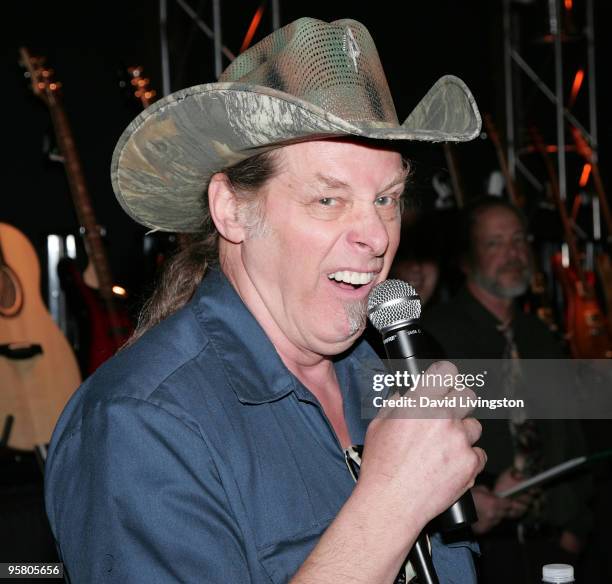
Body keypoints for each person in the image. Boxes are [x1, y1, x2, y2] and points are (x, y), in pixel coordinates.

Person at [44, 18, 487, 583]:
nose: (376, 236)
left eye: (387, 198)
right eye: (328, 199)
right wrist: (390, 505)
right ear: (231, 210)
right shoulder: (138, 422)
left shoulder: (381, 378)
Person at [421, 196, 592, 583]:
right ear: (467, 258)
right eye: (494, 243)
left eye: (518, 240)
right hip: (479, 552)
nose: (512, 253)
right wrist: (472, 500)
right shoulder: (435, 338)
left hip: (553, 547)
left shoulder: (541, 338)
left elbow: (573, 440)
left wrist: (575, 530)